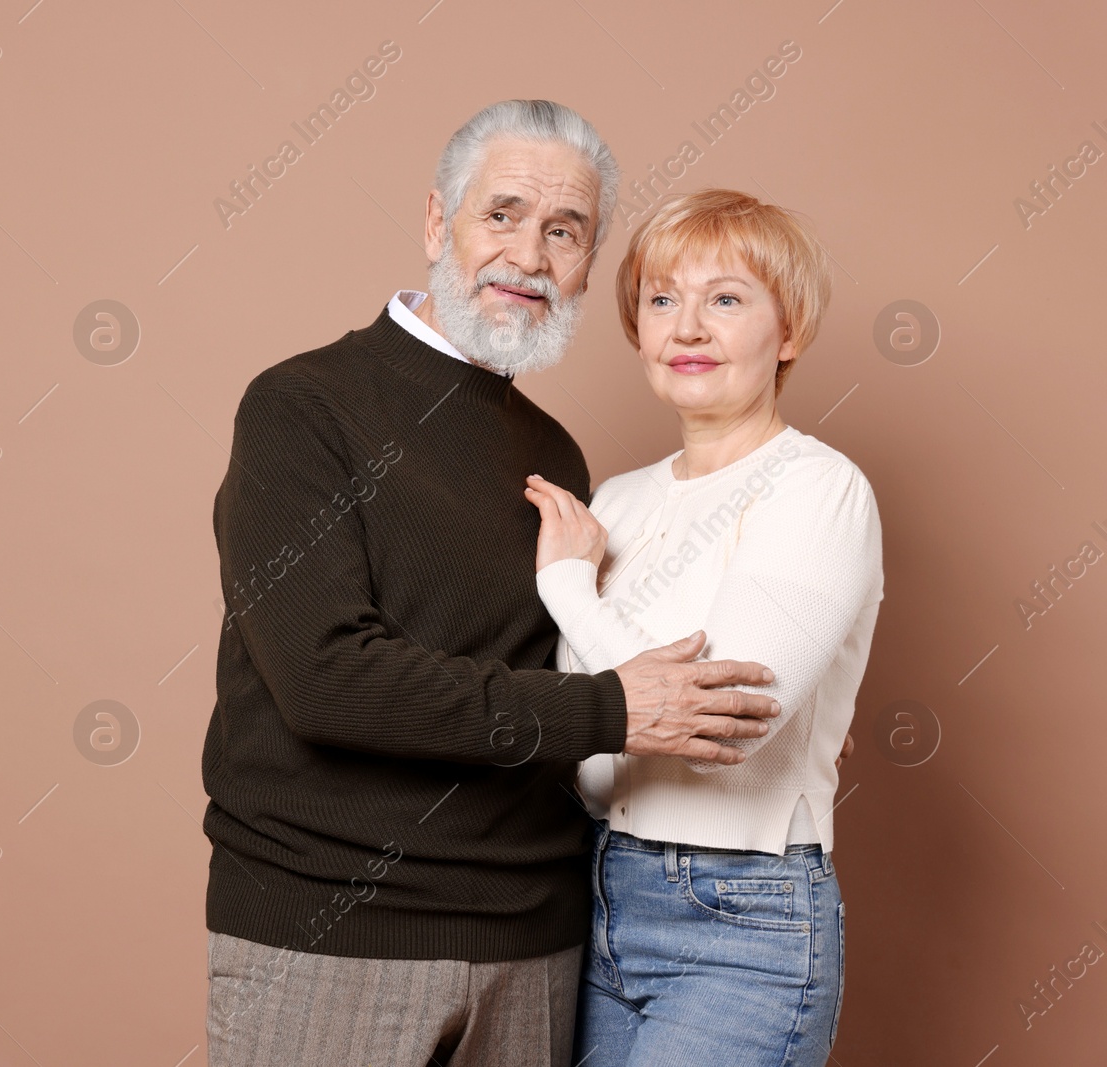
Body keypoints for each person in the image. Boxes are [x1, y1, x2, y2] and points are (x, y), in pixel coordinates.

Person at [201, 102, 787, 1067]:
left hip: (535, 943)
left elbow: (594, 664)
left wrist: (782, 711)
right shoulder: (301, 406)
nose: (529, 254)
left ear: (589, 263)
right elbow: (327, 678)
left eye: (565, 231)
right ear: (439, 223)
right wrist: (611, 710)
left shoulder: (554, 450)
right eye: (503, 214)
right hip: (330, 935)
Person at [523, 188, 884, 1064]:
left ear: (788, 332)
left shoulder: (818, 488)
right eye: (661, 299)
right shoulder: (616, 498)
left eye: (725, 299)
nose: (687, 327)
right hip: (597, 888)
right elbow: (584, 725)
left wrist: (572, 589)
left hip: (741, 917)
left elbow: (719, 727)